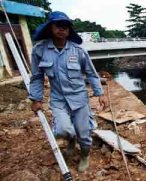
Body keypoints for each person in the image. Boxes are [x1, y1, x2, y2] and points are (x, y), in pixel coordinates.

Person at [29, 11, 108, 172]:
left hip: (80, 99)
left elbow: (92, 74)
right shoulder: (40, 50)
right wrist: (36, 99)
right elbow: (37, 77)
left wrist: (100, 94)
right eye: (58, 25)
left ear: (69, 30)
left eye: (65, 26)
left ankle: (85, 155)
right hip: (58, 100)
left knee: (84, 135)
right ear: (50, 27)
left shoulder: (78, 51)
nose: (62, 29)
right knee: (62, 130)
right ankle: (71, 140)